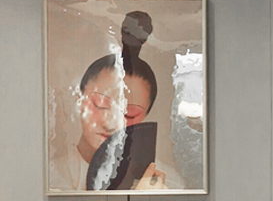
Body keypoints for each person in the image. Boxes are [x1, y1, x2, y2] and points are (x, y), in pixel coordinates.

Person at [50, 11, 182, 192]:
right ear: (79, 100)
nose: (111, 124)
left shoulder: (166, 182)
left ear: (144, 118)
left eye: (130, 115)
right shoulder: (50, 175)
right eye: (100, 105)